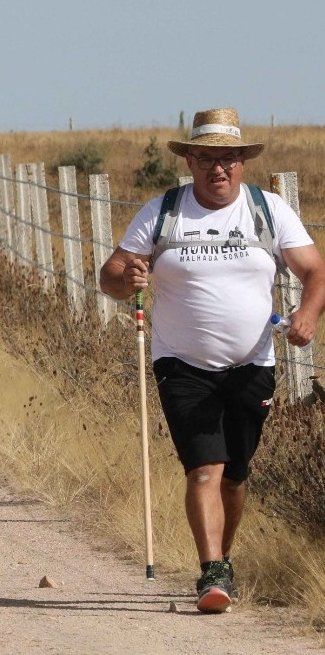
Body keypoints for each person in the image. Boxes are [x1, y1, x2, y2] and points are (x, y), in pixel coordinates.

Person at [99, 107, 325, 614]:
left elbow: (316, 272)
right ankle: (211, 571)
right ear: (191, 161)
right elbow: (111, 273)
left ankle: (224, 555)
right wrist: (126, 278)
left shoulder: (268, 211)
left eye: (227, 159)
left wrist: (307, 316)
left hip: (253, 363)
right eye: (206, 159)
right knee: (204, 467)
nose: (217, 169)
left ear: (242, 162)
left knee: (236, 473)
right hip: (180, 362)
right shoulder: (164, 211)